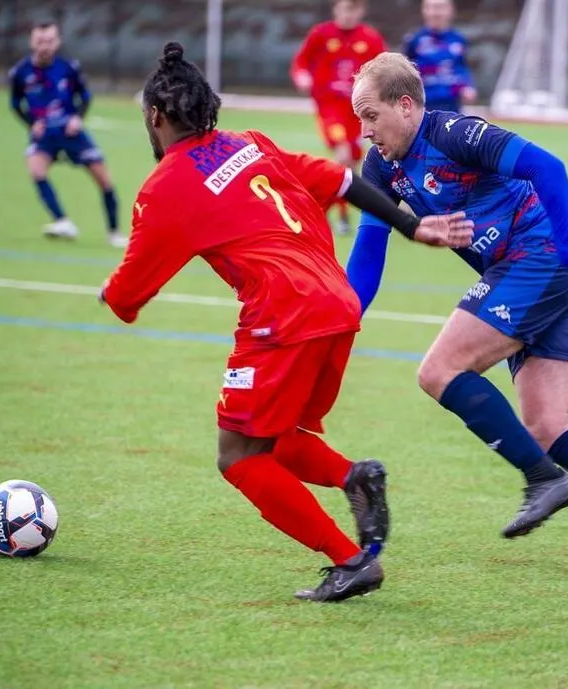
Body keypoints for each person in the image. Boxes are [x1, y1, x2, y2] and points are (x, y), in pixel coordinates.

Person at [100, 43, 474, 601]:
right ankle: (354, 477)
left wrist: (107, 292)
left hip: (284, 316)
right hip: (338, 304)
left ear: (155, 116)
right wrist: (409, 224)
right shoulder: (249, 144)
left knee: (238, 457)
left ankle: (351, 561)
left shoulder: (164, 188)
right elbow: (342, 181)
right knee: (273, 440)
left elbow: (127, 297)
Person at [346, 53, 568, 574]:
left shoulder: (454, 134)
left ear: (404, 105)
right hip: (539, 276)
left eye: (370, 115)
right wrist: (346, 314)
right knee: (548, 425)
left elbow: (547, 166)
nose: (364, 131)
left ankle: (544, 479)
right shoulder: (381, 168)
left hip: (540, 261)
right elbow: (369, 246)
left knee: (440, 370)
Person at [8, 21, 126, 247]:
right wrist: (31, 123)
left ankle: (114, 232)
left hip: (71, 132)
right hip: (44, 135)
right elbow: (15, 103)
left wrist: (77, 118)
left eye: (49, 41)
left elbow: (85, 96)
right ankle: (63, 221)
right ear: (32, 42)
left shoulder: (69, 67)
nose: (45, 46)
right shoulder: (20, 72)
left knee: (104, 179)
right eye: (40, 41)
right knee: (36, 170)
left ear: (57, 42)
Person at [290, 0, 386, 235]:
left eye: (354, 9)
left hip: (358, 111)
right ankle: (327, 214)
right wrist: (302, 76)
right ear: (336, 9)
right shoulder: (321, 34)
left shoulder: (370, 38)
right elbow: (300, 62)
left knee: (350, 164)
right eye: (345, 9)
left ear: (361, 11)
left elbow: (385, 68)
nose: (348, 14)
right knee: (343, 155)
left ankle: (326, 210)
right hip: (330, 107)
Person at [403, 0, 477, 112]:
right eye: (431, 8)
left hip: (452, 105)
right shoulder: (414, 40)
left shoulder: (459, 39)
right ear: (424, 11)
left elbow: (462, 67)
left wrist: (467, 87)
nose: (436, 13)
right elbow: (405, 70)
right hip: (423, 104)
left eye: (440, 7)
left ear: (451, 10)